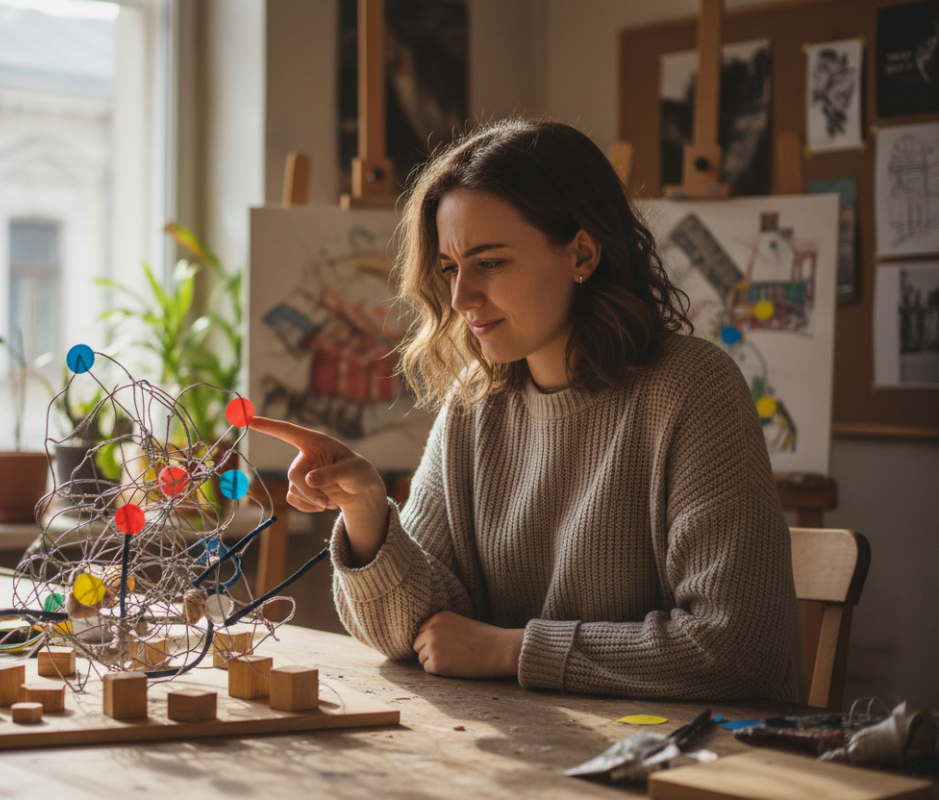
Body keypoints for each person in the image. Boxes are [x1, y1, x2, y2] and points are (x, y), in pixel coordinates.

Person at [252, 118, 801, 702]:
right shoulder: (473, 406)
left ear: (582, 254)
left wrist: (512, 650)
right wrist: (366, 514)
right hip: (527, 758)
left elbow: (738, 650)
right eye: (450, 268)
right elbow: (421, 635)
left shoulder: (693, 389)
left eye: (490, 262)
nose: (461, 298)